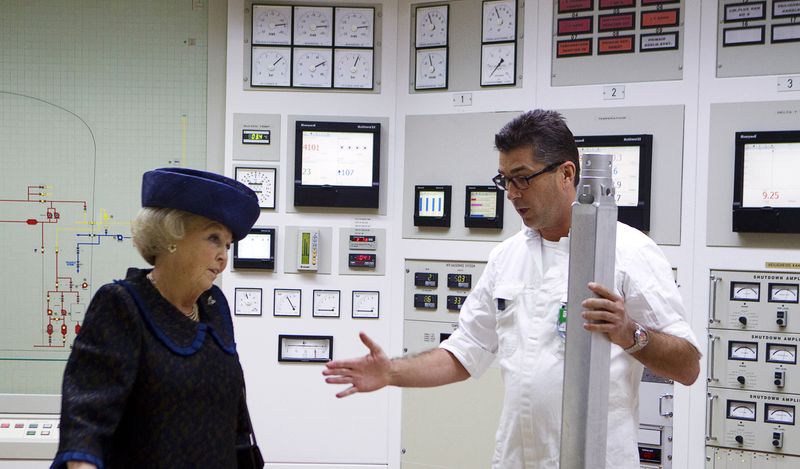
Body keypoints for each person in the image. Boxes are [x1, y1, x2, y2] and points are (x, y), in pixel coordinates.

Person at [323, 110, 701, 469]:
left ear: (567, 173)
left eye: (523, 177)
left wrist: (628, 333)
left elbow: (687, 366)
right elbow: (465, 351)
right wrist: (391, 373)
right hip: (517, 459)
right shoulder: (507, 256)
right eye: (505, 179)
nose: (512, 193)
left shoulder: (629, 251)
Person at [51, 167, 261, 469]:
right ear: (170, 237)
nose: (224, 257)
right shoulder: (122, 304)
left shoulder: (215, 306)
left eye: (227, 245)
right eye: (214, 238)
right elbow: (86, 420)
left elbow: (235, 419)